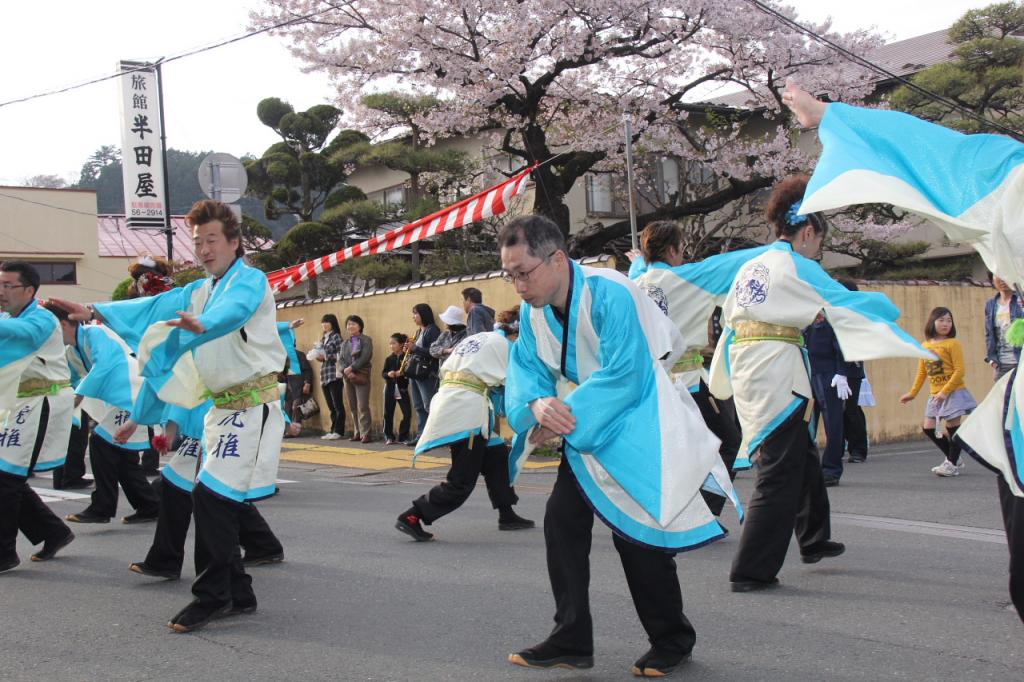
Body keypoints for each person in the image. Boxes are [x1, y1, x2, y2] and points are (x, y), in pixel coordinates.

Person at [782, 79, 1024, 624]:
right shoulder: (787, 269)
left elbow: (956, 158)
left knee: (803, 457)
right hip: (795, 375)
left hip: (794, 378)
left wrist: (832, 117)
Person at [501, 215, 734, 677]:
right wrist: (538, 404)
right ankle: (571, 637)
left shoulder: (611, 291)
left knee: (638, 537)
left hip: (638, 417)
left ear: (557, 259)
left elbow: (626, 373)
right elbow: (526, 370)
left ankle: (672, 639)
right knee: (562, 522)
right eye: (510, 275)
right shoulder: (533, 313)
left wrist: (564, 416)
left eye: (523, 273)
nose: (518, 287)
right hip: (587, 421)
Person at [51, 199, 288, 633]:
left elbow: (234, 310)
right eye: (198, 242)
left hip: (251, 406)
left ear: (234, 242)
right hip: (220, 410)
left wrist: (206, 324)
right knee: (212, 499)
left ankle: (215, 595)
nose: (204, 249)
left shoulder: (249, 281)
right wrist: (95, 312)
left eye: (212, 240)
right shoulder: (198, 291)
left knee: (212, 499)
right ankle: (238, 592)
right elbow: (153, 309)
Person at [707, 174, 932, 593]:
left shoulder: (751, 265)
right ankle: (750, 569)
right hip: (776, 370)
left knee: (801, 453)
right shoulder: (798, 267)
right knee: (778, 469)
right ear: (808, 231)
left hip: (750, 366)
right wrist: (890, 313)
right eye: (819, 242)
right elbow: (848, 302)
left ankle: (814, 538)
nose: (818, 251)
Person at [627, 221, 750, 520]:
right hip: (687, 383)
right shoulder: (690, 279)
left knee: (669, 453)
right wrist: (782, 247)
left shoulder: (634, 284)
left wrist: (639, 265)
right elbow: (732, 262)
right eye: (681, 248)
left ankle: (666, 513)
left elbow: (640, 274)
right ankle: (702, 515)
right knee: (728, 443)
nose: (683, 254)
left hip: (647, 385)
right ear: (672, 250)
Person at [395, 310, 533, 542]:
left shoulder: (476, 339)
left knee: (497, 456)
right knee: (461, 480)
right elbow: (515, 384)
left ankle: (507, 513)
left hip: (455, 402)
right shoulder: (506, 346)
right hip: (467, 412)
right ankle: (413, 516)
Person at [128, 401, 284, 581]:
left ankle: (233, 568)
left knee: (213, 493)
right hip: (212, 423)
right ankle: (260, 546)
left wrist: (165, 426)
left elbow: (184, 390)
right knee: (204, 491)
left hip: (220, 424)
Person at [51, 306, 161, 525]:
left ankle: (102, 507)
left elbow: (105, 365)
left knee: (101, 443)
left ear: (62, 324)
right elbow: (71, 379)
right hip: (118, 400)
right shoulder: (71, 350)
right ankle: (149, 505)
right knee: (123, 457)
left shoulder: (94, 333)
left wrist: (79, 395)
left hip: (130, 394)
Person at [0, 261, 75, 572]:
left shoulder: (42, 318)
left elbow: (26, 335)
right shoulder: (7, 318)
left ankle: (5, 553)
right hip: (16, 404)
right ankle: (53, 531)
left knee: (7, 477)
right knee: (8, 475)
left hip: (41, 402)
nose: (1, 291)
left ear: (29, 290)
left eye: (8, 285)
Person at [900, 307, 976, 477]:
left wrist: (945, 392)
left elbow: (959, 371)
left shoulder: (953, 344)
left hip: (954, 392)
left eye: (949, 320)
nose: (945, 324)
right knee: (928, 427)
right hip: (935, 394)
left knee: (952, 427)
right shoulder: (925, 345)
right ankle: (953, 457)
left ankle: (951, 465)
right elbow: (922, 372)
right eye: (941, 320)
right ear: (932, 322)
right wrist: (912, 393)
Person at [804, 311, 856, 486]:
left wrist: (841, 372)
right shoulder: (805, 318)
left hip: (829, 377)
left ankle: (831, 470)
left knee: (833, 424)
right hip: (807, 375)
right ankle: (807, 467)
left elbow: (843, 346)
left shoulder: (833, 317)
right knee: (804, 423)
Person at [404, 303, 441, 446]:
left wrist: (415, 348)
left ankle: (435, 435)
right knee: (418, 406)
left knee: (429, 405)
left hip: (426, 374)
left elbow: (433, 352)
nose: (413, 317)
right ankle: (421, 435)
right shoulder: (419, 331)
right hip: (415, 373)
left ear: (424, 314)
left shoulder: (432, 330)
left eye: (416, 313)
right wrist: (410, 348)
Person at [340, 314, 373, 442]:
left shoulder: (366, 340)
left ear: (360, 326)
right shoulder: (345, 343)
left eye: (353, 324)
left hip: (361, 375)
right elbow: (340, 360)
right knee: (353, 406)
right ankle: (357, 432)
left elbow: (365, 357)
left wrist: (352, 368)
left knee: (362, 405)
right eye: (348, 324)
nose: (351, 326)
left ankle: (366, 433)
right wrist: (346, 371)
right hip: (347, 377)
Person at [985, 274, 1023, 381]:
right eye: (998, 276)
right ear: (992, 279)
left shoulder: (1020, 300)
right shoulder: (990, 304)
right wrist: (992, 360)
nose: (1002, 280)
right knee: (1002, 391)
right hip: (1001, 364)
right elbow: (989, 334)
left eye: (1004, 275)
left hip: (1020, 360)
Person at [277, 319, 312, 436]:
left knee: (296, 407)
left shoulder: (299, 355)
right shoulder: (281, 357)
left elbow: (307, 370)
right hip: (286, 388)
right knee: (287, 407)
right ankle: (288, 429)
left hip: (298, 386)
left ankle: (295, 429)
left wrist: (307, 383)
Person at [315, 314, 345, 440]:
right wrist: (317, 356)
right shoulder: (324, 338)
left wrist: (326, 357)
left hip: (334, 374)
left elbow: (341, 355)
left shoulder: (336, 336)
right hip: (325, 374)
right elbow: (322, 356)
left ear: (333, 323)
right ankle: (333, 430)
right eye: (323, 322)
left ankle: (339, 431)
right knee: (331, 406)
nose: (324, 324)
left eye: (327, 322)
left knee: (337, 404)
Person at [382, 333, 412, 445]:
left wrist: (402, 373)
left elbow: (409, 371)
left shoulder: (407, 357)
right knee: (388, 413)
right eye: (390, 344)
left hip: (402, 389)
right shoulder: (389, 359)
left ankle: (403, 436)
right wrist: (388, 374)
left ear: (401, 344)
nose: (391, 346)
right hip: (390, 388)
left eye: (394, 343)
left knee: (407, 413)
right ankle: (389, 436)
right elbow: (383, 373)